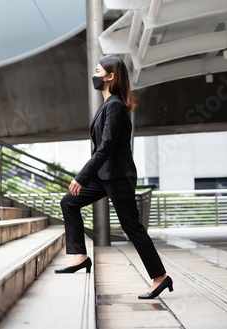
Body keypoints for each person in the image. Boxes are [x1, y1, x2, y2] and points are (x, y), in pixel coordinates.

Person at [55, 55, 173, 299]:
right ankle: (81, 256)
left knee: (132, 228)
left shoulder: (116, 105)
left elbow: (106, 146)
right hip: (104, 175)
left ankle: (160, 277)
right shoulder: (107, 105)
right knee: (69, 202)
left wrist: (81, 176)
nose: (95, 75)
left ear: (110, 76)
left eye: (98, 71)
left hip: (117, 177)